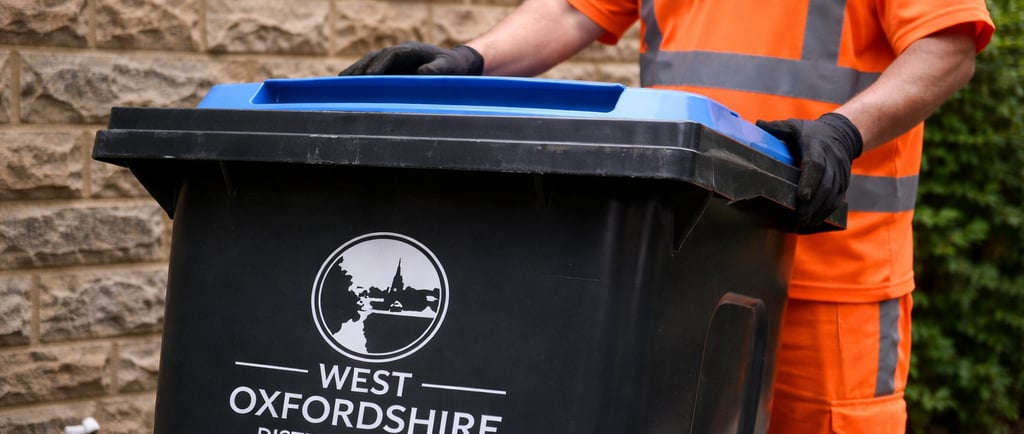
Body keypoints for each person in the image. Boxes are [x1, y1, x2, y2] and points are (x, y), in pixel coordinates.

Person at [341, 0, 995, 431]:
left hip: (831, 280)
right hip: (686, 263)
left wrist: (845, 132)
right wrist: (468, 63)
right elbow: (574, 10)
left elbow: (947, 46)